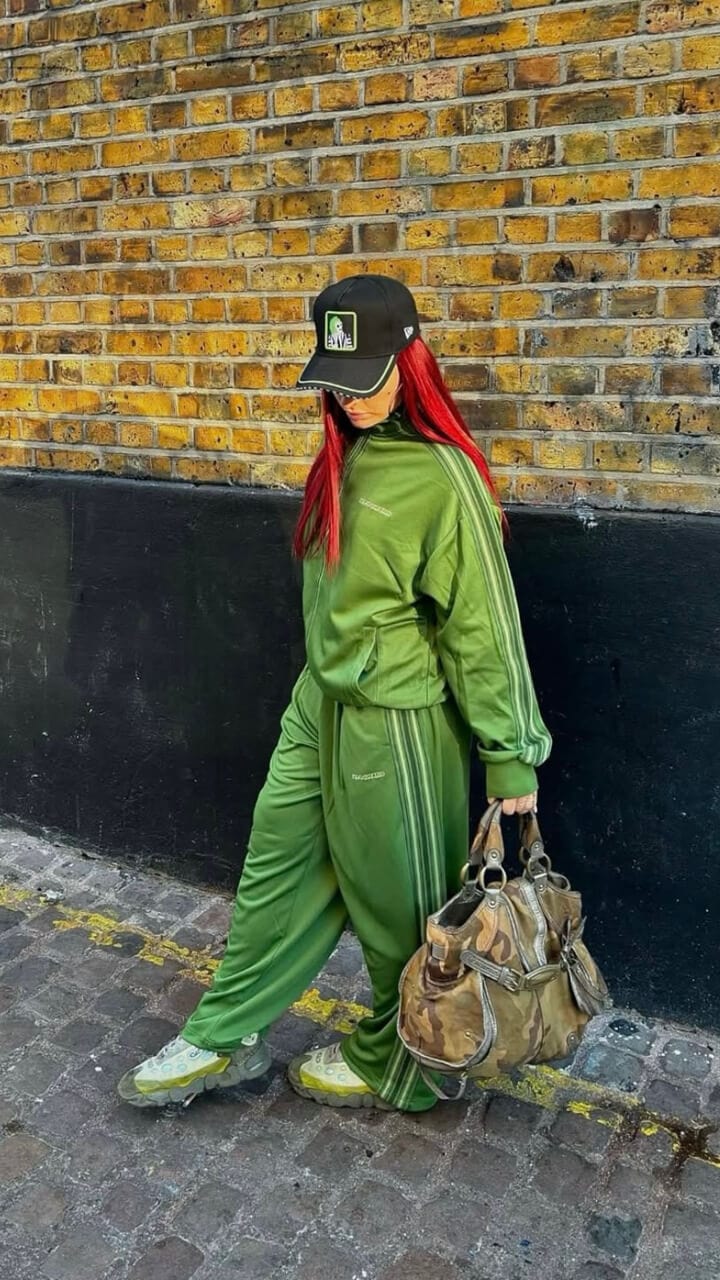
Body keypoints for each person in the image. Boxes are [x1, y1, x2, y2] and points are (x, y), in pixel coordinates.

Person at [117, 274, 552, 1113]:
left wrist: (510, 757)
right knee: (273, 870)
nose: (349, 401)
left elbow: (484, 626)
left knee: (401, 912)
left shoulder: (442, 476)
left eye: (367, 380)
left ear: (410, 361)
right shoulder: (344, 459)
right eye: (335, 382)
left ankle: (408, 1065)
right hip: (319, 708)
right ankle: (223, 1035)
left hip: (398, 723)